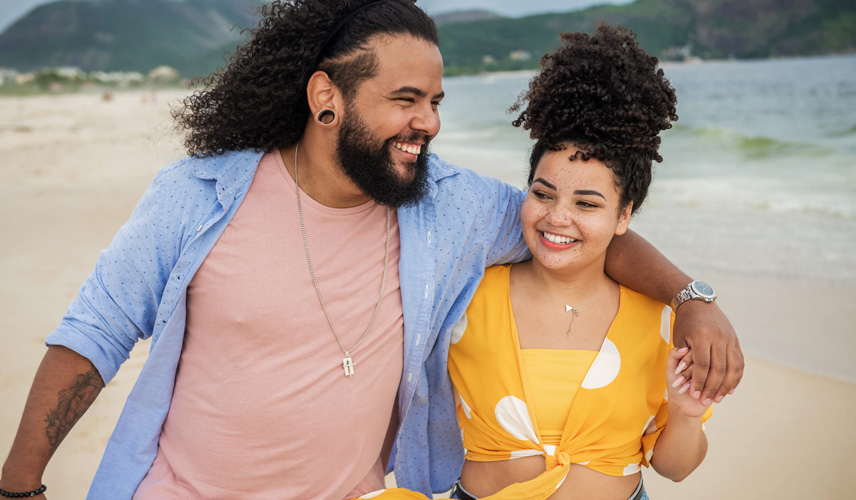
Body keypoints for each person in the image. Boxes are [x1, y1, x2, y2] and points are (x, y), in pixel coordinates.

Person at [0, 2, 742, 499]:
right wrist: (20, 487)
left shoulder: (446, 205)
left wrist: (692, 299)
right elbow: (92, 338)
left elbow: (578, 232)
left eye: (437, 102)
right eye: (405, 100)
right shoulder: (197, 198)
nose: (429, 123)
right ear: (327, 97)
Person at [356, 24, 716, 500]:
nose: (557, 218)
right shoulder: (468, 295)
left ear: (624, 215)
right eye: (543, 193)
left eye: (587, 204)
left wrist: (685, 412)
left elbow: (675, 468)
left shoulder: (659, 320)